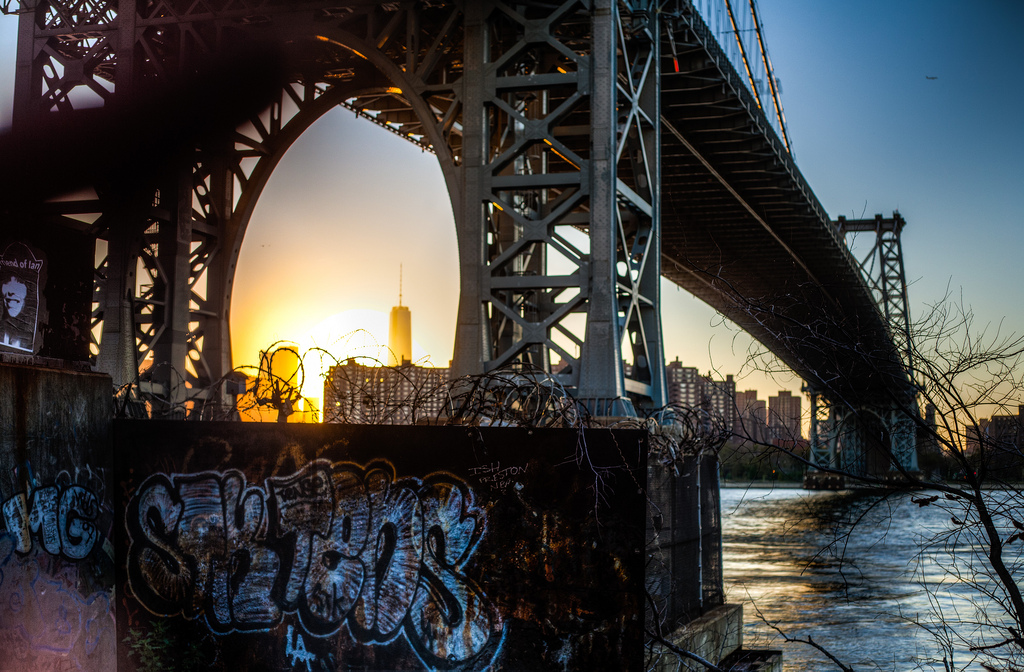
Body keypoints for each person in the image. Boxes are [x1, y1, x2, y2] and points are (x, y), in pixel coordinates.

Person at [1, 274, 31, 350]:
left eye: (16, 300)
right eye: (8, 299)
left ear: (23, 303)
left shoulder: (28, 332)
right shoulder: (3, 329)